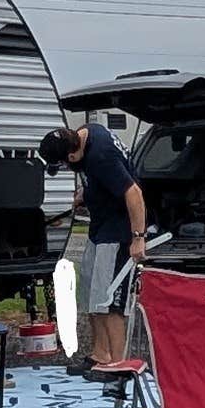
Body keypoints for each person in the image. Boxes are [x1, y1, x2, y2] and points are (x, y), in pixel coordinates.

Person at [41, 116, 149, 370]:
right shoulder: (86, 132)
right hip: (99, 228)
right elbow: (96, 178)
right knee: (91, 292)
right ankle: (101, 354)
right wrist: (86, 194)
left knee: (107, 299)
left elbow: (134, 193)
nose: (67, 168)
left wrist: (138, 238)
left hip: (118, 231)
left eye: (64, 164)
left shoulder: (102, 156)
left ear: (72, 155)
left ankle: (118, 363)